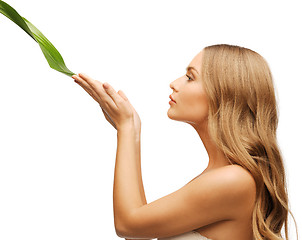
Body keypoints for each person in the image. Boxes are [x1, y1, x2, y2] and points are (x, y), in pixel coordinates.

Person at [71, 44, 297, 240]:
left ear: (224, 93)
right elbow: (136, 232)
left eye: (190, 77)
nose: (174, 83)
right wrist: (132, 130)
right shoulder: (217, 176)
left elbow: (126, 224)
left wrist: (127, 129)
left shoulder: (234, 179)